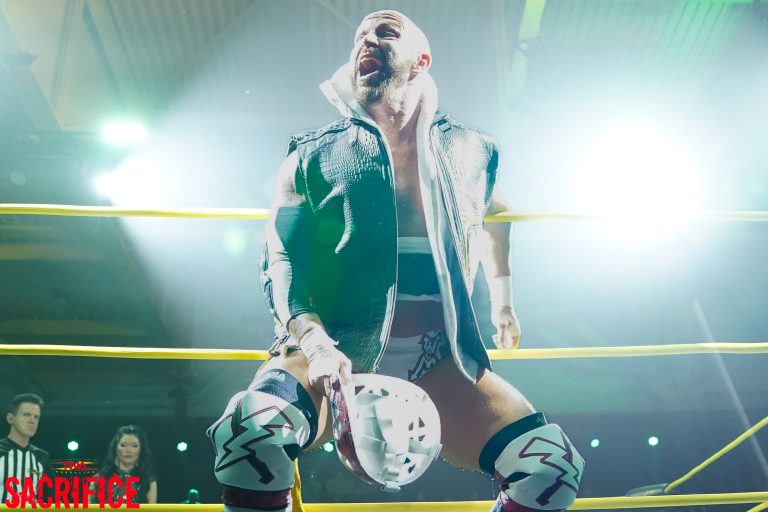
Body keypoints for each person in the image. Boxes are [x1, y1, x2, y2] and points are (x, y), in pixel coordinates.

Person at [209, 10, 584, 512]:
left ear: (420, 60)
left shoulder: (473, 150)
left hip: (439, 357)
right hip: (339, 349)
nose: (367, 40)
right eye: (360, 36)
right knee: (250, 436)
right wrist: (316, 346)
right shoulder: (310, 154)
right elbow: (281, 261)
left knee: (550, 469)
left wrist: (503, 299)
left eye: (385, 31)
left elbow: (496, 213)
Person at [1, 393, 56, 504]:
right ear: (10, 418)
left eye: (36, 417)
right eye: (26, 415)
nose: (32, 420)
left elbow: (50, 499)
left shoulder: (41, 457)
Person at [91, 425, 158, 504]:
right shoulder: (98, 479)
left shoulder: (148, 482)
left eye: (134, 446)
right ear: (116, 448)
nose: (128, 450)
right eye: (123, 445)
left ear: (141, 450)